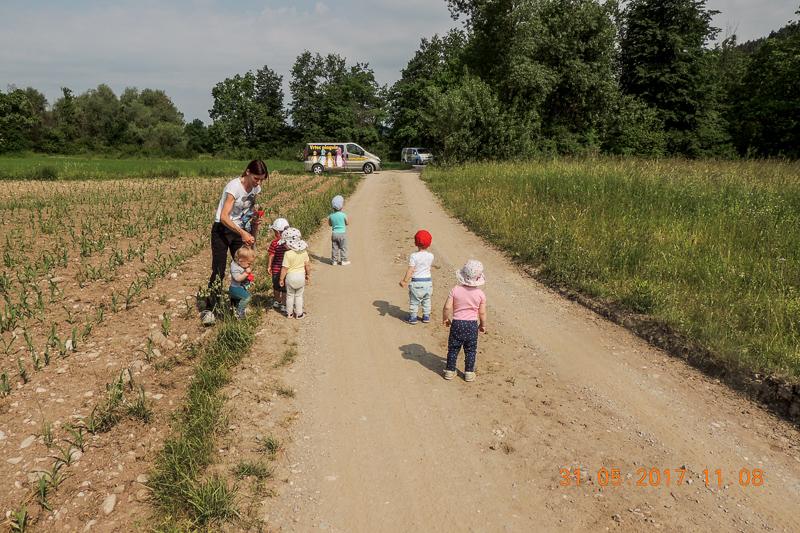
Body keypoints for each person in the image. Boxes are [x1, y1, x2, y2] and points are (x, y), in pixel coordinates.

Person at [202, 159, 268, 326]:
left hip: (240, 229)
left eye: (261, 179)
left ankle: (236, 306)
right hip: (222, 230)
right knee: (219, 270)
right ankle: (210, 310)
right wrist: (242, 232)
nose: (258, 183)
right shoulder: (234, 187)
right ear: (248, 172)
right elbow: (224, 216)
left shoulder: (256, 188)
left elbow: (249, 209)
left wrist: (254, 221)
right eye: (256, 178)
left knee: (243, 266)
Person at [442, 260, 487, 382]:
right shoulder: (480, 294)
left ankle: (450, 371)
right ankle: (469, 372)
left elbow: (447, 307)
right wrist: (482, 325)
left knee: (453, 348)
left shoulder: (455, 290)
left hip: (457, 323)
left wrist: (445, 318)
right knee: (471, 349)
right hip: (472, 325)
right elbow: (482, 313)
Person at [398, 230, 434, 324]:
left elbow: (411, 269)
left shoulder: (414, 256)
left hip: (416, 282)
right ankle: (426, 316)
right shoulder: (431, 256)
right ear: (429, 243)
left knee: (414, 301)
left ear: (415, 243)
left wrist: (405, 281)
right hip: (428, 282)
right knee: (427, 300)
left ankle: (413, 317)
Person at [279, 228, 311, 319]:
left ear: (289, 243)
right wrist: (308, 275)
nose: (284, 245)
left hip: (290, 277)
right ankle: (299, 313)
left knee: (289, 296)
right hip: (301, 276)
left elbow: (284, 268)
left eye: (285, 243)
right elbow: (307, 265)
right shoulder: (304, 252)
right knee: (299, 296)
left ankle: (289, 313)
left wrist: (281, 279)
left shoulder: (287, 254)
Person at [267, 217, 290, 313]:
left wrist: (269, 266)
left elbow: (271, 255)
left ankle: (277, 301)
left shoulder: (274, 243)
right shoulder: (289, 243)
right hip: (287, 270)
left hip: (276, 269)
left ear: (277, 232)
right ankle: (284, 305)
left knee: (276, 286)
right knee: (285, 288)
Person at [229, 246, 256, 319]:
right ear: (240, 260)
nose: (249, 266)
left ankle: (236, 311)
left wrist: (249, 281)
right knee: (247, 297)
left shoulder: (241, 265)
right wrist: (246, 273)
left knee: (238, 301)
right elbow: (237, 278)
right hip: (235, 288)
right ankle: (240, 312)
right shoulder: (235, 268)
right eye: (248, 263)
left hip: (239, 287)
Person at [328, 195, 350, 265]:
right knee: (343, 247)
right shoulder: (343, 215)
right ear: (341, 206)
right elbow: (347, 223)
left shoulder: (331, 216)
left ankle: (334, 261)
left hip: (334, 234)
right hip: (342, 233)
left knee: (335, 248)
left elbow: (330, 224)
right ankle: (343, 260)